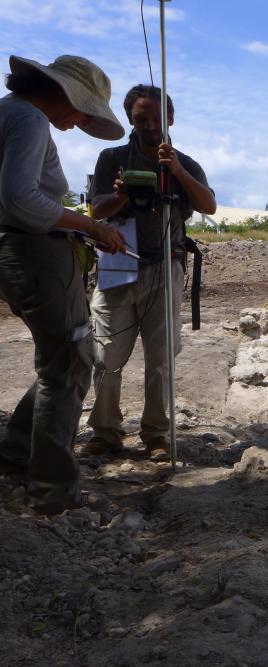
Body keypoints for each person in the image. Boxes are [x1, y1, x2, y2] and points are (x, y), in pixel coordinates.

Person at [0, 54, 126, 514]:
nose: (77, 123)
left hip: (21, 254)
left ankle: (16, 452)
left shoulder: (8, 112)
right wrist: (90, 226)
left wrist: (76, 226)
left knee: (63, 360)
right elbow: (20, 200)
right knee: (70, 364)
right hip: (34, 253)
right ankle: (53, 491)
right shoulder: (30, 119)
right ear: (62, 92)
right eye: (80, 110)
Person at [84, 85, 215, 461]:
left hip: (164, 266)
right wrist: (122, 195)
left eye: (156, 118)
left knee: (160, 359)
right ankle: (105, 432)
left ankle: (156, 434)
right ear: (129, 119)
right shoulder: (111, 158)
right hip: (117, 267)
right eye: (141, 118)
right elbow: (97, 211)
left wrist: (175, 170)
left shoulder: (185, 162)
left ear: (170, 118)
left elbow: (209, 204)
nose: (149, 125)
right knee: (106, 355)